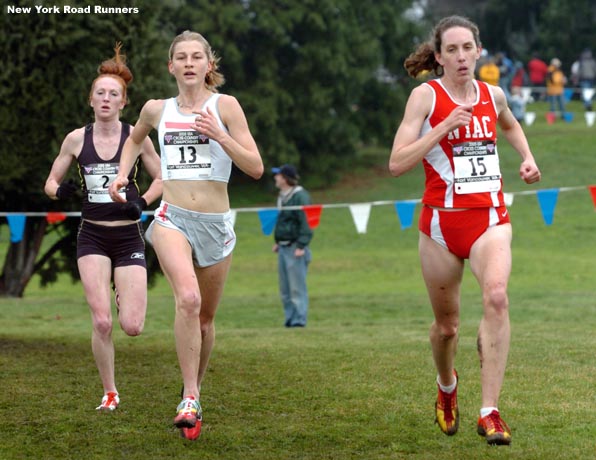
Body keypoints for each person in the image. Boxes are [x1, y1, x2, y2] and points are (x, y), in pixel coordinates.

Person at [388, 15, 541, 446]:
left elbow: (509, 123)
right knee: (448, 328)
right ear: (438, 57)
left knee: (496, 296)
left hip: (489, 218)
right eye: (450, 50)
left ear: (478, 51)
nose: (460, 56)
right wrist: (441, 128)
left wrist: (526, 157)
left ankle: (490, 412)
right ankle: (446, 385)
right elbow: (397, 163)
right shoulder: (424, 97)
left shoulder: (492, 94)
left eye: (467, 48)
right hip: (439, 224)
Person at [108, 30, 263, 441]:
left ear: (209, 65)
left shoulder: (225, 106)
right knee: (188, 299)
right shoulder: (157, 110)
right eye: (182, 57)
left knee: (206, 320)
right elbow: (134, 138)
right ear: (171, 66)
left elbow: (256, 168)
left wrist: (221, 136)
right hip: (171, 217)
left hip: (216, 224)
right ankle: (190, 398)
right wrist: (124, 174)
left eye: (198, 56)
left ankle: (193, 387)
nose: (190, 63)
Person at [44, 43, 162, 412]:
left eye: (114, 94)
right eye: (101, 93)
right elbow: (50, 182)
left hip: (128, 235)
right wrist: (60, 190)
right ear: (91, 100)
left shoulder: (137, 138)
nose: (107, 99)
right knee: (102, 322)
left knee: (132, 326)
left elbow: (164, 180)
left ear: (124, 103)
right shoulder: (76, 139)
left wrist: (141, 203)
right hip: (92, 235)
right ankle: (110, 391)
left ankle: (121, 293)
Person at [271, 164, 313, 328]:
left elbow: (306, 222)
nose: (276, 178)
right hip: (283, 247)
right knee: (285, 289)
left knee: (297, 287)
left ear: (285, 178)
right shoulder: (282, 196)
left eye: (278, 175)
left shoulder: (300, 196)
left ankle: (299, 320)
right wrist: (277, 241)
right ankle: (290, 318)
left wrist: (302, 245)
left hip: (296, 247)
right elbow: (282, 221)